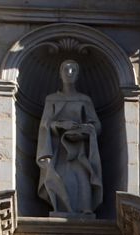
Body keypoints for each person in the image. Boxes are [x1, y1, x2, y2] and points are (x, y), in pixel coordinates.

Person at [37, 60, 103, 216]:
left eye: (73, 69)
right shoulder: (52, 99)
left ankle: (85, 208)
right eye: (66, 69)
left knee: (82, 176)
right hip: (58, 149)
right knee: (59, 177)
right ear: (60, 74)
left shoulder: (84, 100)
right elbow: (45, 125)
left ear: (78, 74)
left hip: (80, 148)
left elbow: (96, 125)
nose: (69, 73)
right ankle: (61, 208)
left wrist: (85, 130)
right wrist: (61, 125)